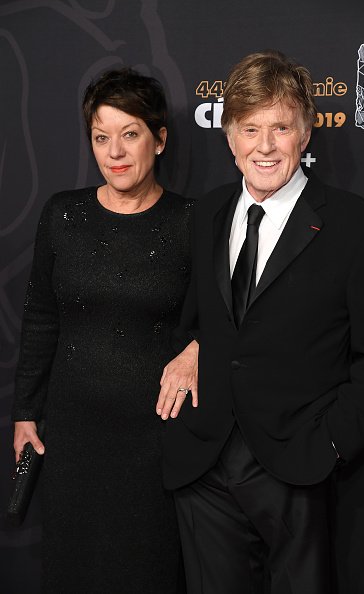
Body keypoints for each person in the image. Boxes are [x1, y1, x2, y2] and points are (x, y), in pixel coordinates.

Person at [156, 50, 364, 593]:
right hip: (203, 463)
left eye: (281, 128)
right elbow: (199, 318)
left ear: (305, 133)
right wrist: (194, 348)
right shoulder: (208, 214)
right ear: (230, 137)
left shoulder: (358, 228)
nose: (265, 146)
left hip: (296, 464)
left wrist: (332, 444)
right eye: (250, 128)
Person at [12, 67, 193, 593]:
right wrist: (26, 411)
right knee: (74, 572)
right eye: (101, 136)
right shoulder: (63, 214)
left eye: (130, 134)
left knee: (148, 573)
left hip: (154, 442)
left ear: (159, 140)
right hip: (71, 438)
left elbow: (221, 317)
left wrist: (199, 349)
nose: (114, 151)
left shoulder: (191, 221)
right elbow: (41, 317)